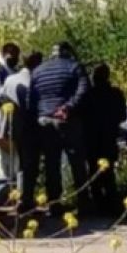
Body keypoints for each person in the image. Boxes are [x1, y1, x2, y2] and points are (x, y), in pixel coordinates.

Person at [29, 41, 91, 217]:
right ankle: (83, 203)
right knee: (77, 163)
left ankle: (54, 205)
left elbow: (30, 99)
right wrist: (68, 107)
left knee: (52, 164)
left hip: (45, 121)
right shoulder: (74, 67)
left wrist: (40, 115)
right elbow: (84, 90)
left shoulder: (38, 71)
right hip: (68, 121)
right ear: (68, 52)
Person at [0, 51, 43, 212]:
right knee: (29, 165)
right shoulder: (34, 81)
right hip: (31, 127)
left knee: (19, 164)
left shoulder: (10, 80)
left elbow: (2, 100)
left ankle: (18, 197)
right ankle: (26, 198)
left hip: (12, 127)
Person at [83, 63, 127, 214]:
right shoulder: (116, 93)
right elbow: (123, 115)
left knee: (93, 171)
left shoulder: (88, 95)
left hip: (91, 138)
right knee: (109, 172)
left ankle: (98, 204)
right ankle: (111, 203)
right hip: (109, 136)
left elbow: (82, 117)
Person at [0, 42, 21, 183]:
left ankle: (16, 185)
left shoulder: (15, 72)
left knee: (16, 157)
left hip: (16, 121)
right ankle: (5, 185)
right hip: (2, 120)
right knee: (4, 159)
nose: (13, 58)